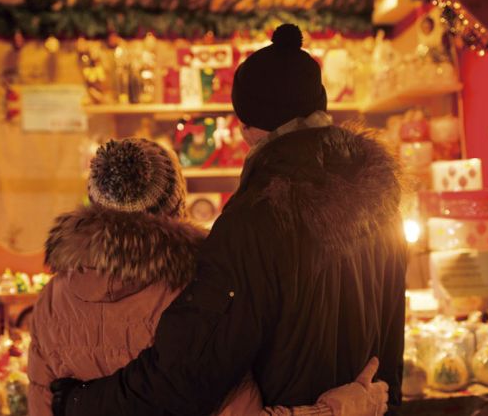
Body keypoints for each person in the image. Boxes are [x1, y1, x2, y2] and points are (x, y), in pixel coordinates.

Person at [52, 24, 407, 416]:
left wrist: (81, 401)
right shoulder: (380, 197)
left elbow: (188, 373)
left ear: (248, 128)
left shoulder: (255, 220)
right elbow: (390, 350)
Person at [30, 138, 390, 416]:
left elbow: (42, 404)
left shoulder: (52, 297)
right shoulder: (200, 291)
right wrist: (339, 408)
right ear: (177, 205)